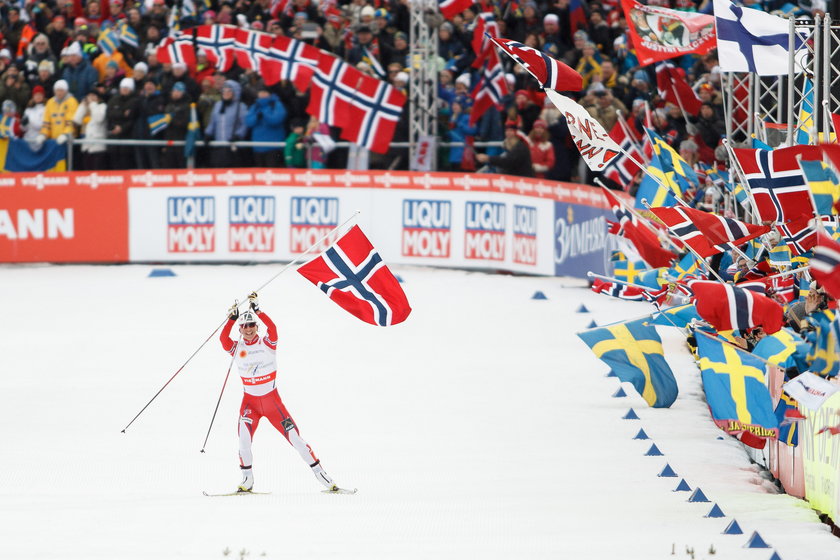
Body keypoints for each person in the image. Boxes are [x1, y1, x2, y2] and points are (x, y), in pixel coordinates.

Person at [220, 293, 340, 493]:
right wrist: (231, 319)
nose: (248, 329)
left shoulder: (267, 344)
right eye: (244, 326)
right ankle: (247, 479)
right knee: (243, 442)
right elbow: (223, 339)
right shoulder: (237, 347)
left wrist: (258, 310)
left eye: (251, 325)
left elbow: (273, 329)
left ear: (256, 327)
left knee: (296, 440)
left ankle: (322, 475)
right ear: (240, 329)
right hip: (250, 404)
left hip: (272, 403)